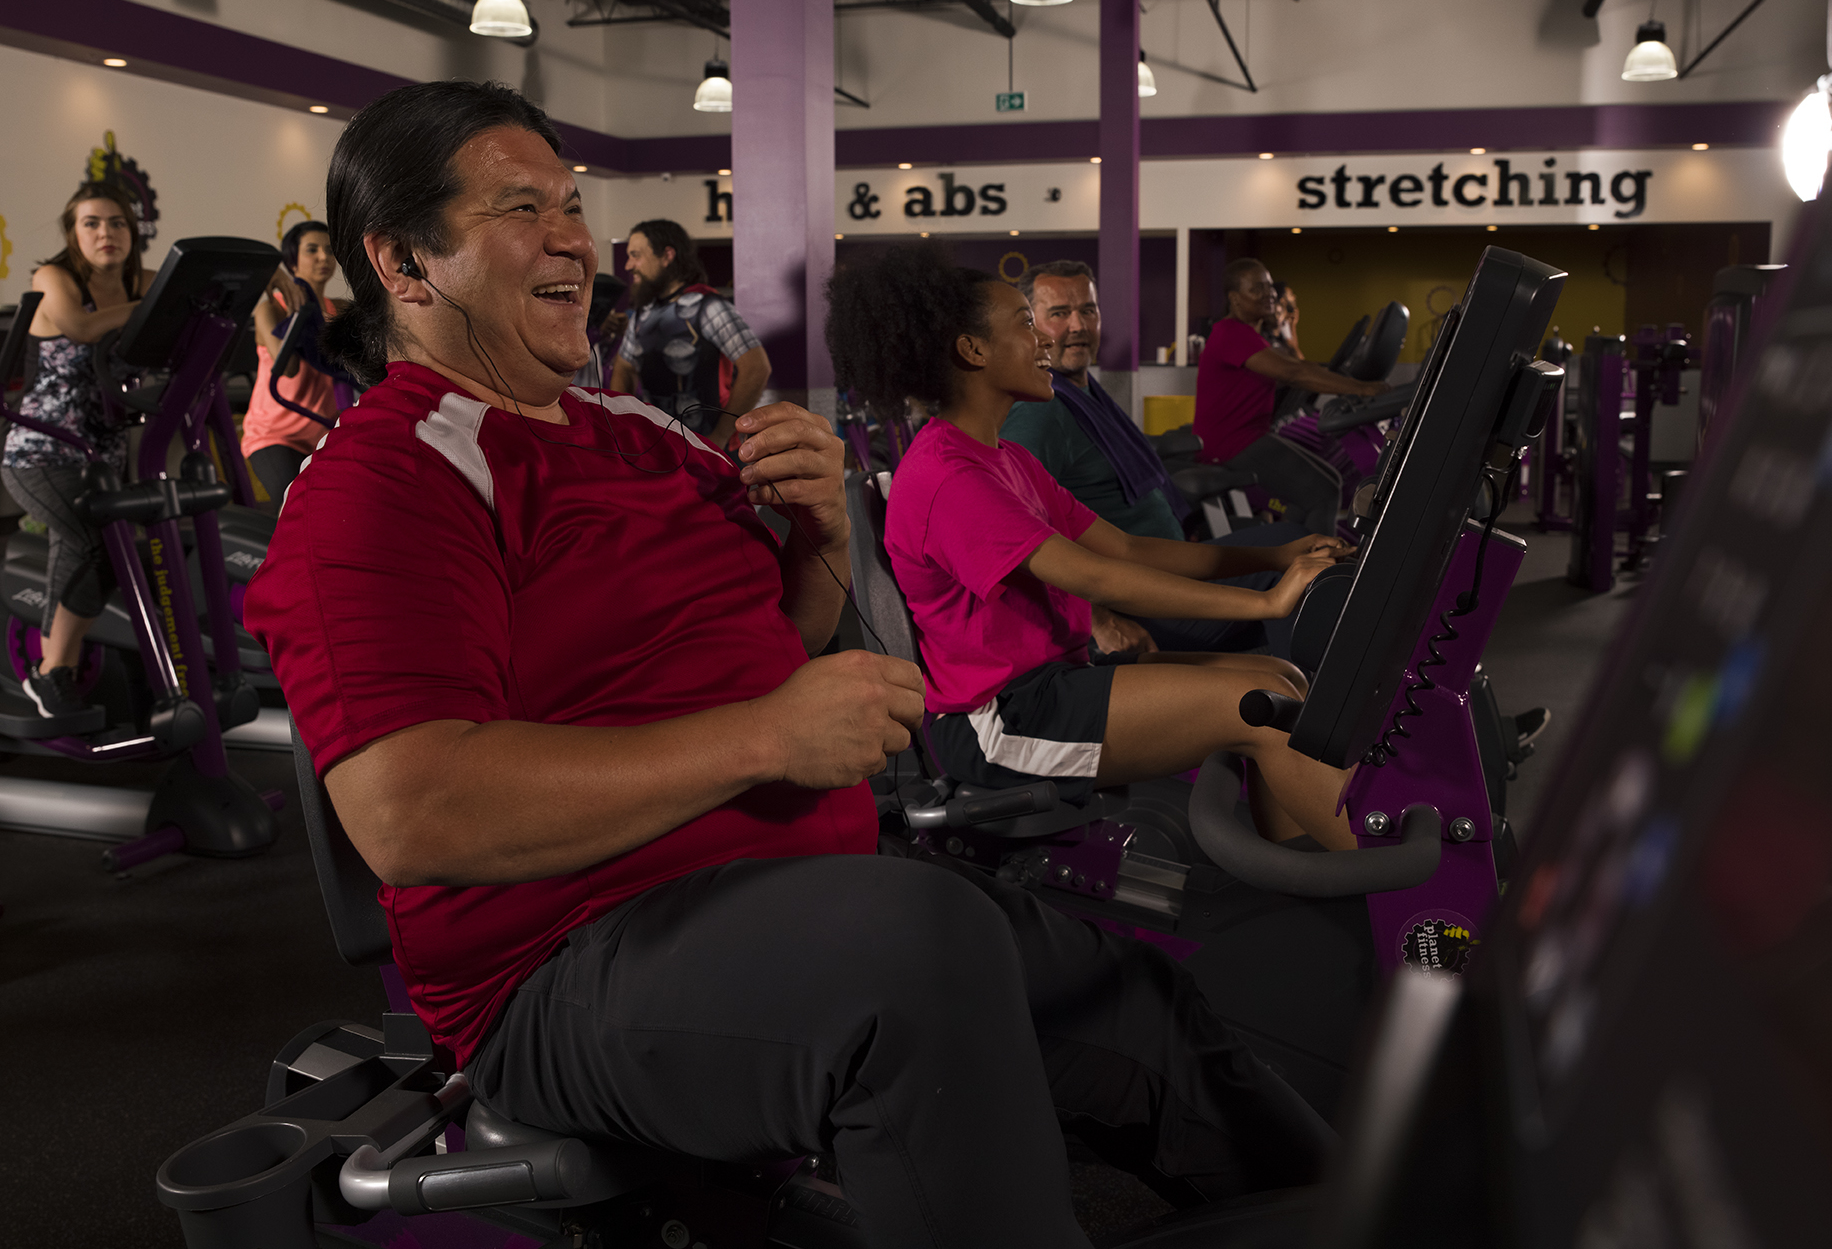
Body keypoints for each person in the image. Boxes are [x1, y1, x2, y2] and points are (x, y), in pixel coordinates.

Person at [247, 80, 1335, 1249]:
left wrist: (819, 538)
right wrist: (767, 738)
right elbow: (412, 812)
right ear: (405, 261)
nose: (573, 238)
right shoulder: (382, 482)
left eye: (571, 205)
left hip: (790, 890)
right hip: (561, 965)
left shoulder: (643, 435)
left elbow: (780, 639)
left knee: (1127, 998)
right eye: (522, 208)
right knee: (912, 957)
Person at [825, 243, 1357, 848]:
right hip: (1002, 719)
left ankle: (1299, 875)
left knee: (1280, 676)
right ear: (973, 351)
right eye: (1027, 324)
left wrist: (1276, 559)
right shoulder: (950, 477)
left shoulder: (1005, 458)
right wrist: (1265, 603)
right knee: (1265, 704)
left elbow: (1125, 550)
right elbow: (1097, 578)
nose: (1044, 341)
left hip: (1055, 680)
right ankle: (1373, 887)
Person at [998, 260, 1307, 660]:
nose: (1078, 325)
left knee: (1291, 544)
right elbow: (1015, 532)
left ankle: (1301, 680)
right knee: (1293, 564)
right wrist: (1098, 620)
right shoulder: (1039, 412)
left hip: (1163, 567)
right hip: (1140, 600)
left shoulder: (1086, 393)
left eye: (1087, 310)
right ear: (1032, 327)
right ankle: (1314, 692)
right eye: (1059, 313)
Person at [0, 183, 153, 717]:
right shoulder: (54, 277)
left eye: (117, 222)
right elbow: (82, 328)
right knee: (96, 545)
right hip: (41, 451)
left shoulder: (140, 283)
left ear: (132, 232)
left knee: (87, 552)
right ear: (73, 233)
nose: (106, 233)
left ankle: (53, 671)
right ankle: (52, 673)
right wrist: (152, 307)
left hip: (100, 458)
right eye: (92, 223)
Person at [1195, 258, 1378, 465]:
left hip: (1251, 440)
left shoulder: (1253, 338)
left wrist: (1347, 381)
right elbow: (1293, 373)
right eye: (1257, 289)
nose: (1269, 294)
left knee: (1329, 472)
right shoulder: (1231, 334)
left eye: (1269, 287)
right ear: (1235, 298)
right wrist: (1362, 389)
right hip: (1230, 446)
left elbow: (1299, 366)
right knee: (1322, 482)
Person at [609, 220, 769, 448]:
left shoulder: (710, 307)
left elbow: (756, 368)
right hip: (659, 448)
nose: (628, 265)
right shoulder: (643, 314)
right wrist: (623, 428)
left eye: (636, 255)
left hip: (711, 452)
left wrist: (719, 437)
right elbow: (624, 367)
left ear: (667, 256)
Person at [240, 220, 344, 511]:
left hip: (324, 434)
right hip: (275, 436)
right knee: (295, 509)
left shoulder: (340, 310)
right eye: (312, 250)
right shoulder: (270, 309)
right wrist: (300, 321)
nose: (323, 257)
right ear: (292, 260)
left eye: (329, 251)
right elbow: (288, 369)